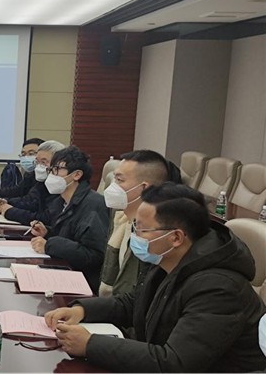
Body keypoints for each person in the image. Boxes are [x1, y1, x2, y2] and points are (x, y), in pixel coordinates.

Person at [45, 183, 266, 372]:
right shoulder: (170, 259)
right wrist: (82, 310)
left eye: (141, 229)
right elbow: (134, 303)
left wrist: (90, 345)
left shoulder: (219, 288)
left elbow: (175, 363)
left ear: (176, 237)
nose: (135, 235)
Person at [29, 146, 109, 293]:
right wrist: (47, 233)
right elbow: (70, 237)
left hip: (80, 283)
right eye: (51, 170)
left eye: (57, 170)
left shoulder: (93, 205)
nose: (51, 175)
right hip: (63, 272)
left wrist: (50, 245)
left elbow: (94, 255)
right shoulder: (61, 202)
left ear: (76, 175)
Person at [98, 150, 172, 297]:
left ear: (144, 188)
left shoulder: (155, 236)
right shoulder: (121, 218)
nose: (112, 186)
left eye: (119, 180)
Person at [0, 140, 65, 226]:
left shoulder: (59, 186)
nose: (39, 167)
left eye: (43, 162)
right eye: (37, 162)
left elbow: (47, 218)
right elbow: (29, 199)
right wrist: (3, 202)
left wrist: (10, 211)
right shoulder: (41, 180)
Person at [0, 138, 44, 207]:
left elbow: (30, 202)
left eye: (31, 154)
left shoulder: (44, 176)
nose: (26, 157)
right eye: (23, 154)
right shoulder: (30, 173)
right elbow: (17, 190)